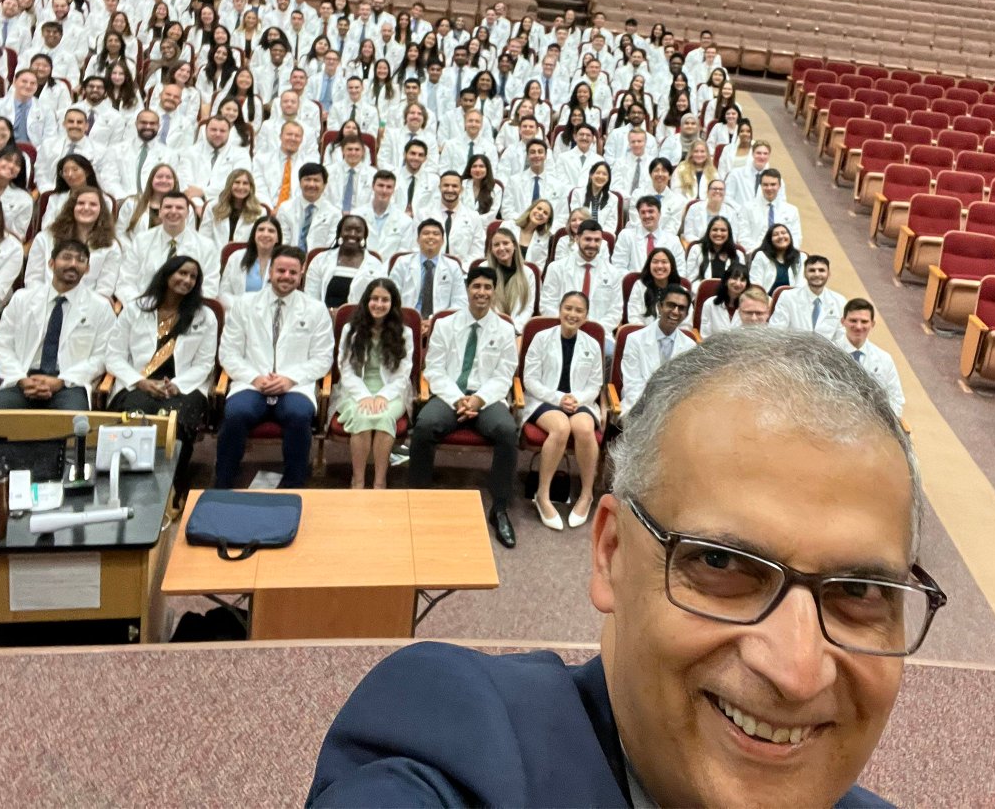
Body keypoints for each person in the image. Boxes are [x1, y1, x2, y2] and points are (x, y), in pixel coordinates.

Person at [309, 327, 941, 808]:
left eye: (859, 589)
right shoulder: (461, 742)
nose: (798, 672)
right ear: (610, 555)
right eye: (721, 563)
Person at [408, 267, 520, 548]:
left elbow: (504, 375)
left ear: (494, 291)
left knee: (507, 431)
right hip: (450, 396)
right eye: (476, 286)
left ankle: (499, 509)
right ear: (467, 289)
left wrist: (478, 400)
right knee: (424, 425)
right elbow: (433, 368)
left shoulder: (505, 330)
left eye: (487, 287)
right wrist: (458, 399)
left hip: (486, 398)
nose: (482, 292)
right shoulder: (446, 325)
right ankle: (417, 501)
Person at [215, 246, 335, 489]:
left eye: (293, 272)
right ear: (270, 271)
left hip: (295, 385)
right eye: (281, 270)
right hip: (251, 383)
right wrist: (255, 378)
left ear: (301, 274)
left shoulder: (316, 309)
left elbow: (323, 358)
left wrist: (290, 379)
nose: (286, 276)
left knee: (299, 415)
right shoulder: (244, 305)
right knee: (236, 414)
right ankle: (223, 482)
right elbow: (228, 352)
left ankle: (294, 484)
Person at [106, 254, 218, 497]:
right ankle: (128, 488)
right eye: (182, 273)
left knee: (173, 421)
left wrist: (177, 385)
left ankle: (171, 489)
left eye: (193, 277)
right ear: (167, 274)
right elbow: (113, 355)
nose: (187, 280)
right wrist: (141, 382)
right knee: (136, 416)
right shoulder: (136, 308)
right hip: (138, 384)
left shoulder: (204, 316)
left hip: (183, 387)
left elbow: (204, 364)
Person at [0, 240, 116, 410]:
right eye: (66, 258)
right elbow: (1, 346)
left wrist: (61, 381)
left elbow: (103, 355)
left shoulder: (101, 307)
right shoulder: (22, 299)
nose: (73, 264)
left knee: (73, 426)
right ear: (51, 263)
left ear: (88, 268)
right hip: (23, 379)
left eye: (81, 260)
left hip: (70, 385)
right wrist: (22, 379)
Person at [522, 291, 605, 531]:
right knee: (560, 427)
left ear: (586, 316)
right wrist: (559, 399)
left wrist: (576, 399)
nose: (573, 314)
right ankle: (543, 495)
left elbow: (595, 383)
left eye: (579, 310)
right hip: (544, 399)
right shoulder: (541, 337)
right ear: (559, 310)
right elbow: (530, 379)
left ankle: (587, 494)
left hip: (581, 402)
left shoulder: (591, 343)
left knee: (584, 427)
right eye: (568, 308)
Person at [332, 278, 414, 490]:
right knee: (362, 415)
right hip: (355, 389)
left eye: (385, 300)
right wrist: (364, 396)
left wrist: (382, 397)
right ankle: (358, 480)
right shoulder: (352, 329)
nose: (379, 304)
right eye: (374, 299)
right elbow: (346, 369)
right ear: (366, 301)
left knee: (384, 416)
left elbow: (403, 373)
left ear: (392, 303)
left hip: (392, 392)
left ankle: (380, 480)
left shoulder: (405, 333)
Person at [117, 191, 218, 304]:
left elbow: (210, 287)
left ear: (187, 213)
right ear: (160, 212)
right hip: (143, 308)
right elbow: (125, 282)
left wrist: (180, 309)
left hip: (187, 312)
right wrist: (140, 306)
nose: (173, 211)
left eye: (179, 208)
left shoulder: (206, 246)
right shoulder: (141, 241)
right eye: (168, 207)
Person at [540, 219, 623, 344]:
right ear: (577, 239)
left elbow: (615, 311)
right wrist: (570, 325)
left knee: (610, 354)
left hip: (599, 334)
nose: (592, 244)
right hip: (561, 331)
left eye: (597, 240)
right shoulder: (556, 268)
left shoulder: (614, 273)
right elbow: (547, 305)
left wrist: (593, 329)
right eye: (588, 239)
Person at [619, 283, 695, 412]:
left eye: (681, 308)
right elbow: (632, 385)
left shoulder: (690, 346)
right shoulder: (635, 339)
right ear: (659, 307)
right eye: (671, 305)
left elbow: (684, 387)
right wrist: (653, 411)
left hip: (671, 410)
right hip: (638, 407)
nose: (676, 311)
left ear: (686, 314)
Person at [388, 220, 467, 331]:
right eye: (426, 233)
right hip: (405, 322)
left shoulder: (453, 266)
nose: (431, 237)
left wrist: (435, 321)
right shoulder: (402, 263)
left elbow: (460, 302)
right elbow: (391, 297)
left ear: (443, 241)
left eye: (436, 234)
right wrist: (412, 320)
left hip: (442, 325)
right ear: (417, 239)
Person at [838, 298, 905, 417]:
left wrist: (884, 425)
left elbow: (896, 399)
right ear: (843, 321)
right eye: (853, 320)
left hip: (872, 426)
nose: (858, 326)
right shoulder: (828, 352)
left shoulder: (884, 360)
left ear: (872, 324)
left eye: (864, 321)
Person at [304, 214, 384, 310]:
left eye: (358, 231)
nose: (352, 234)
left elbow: (380, 299)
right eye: (348, 229)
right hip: (323, 319)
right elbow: (310, 298)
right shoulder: (320, 260)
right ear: (339, 233)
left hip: (362, 320)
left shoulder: (376, 265)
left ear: (364, 236)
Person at [771, 255, 846, 340]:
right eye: (812, 270)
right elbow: (776, 330)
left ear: (829, 274)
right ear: (804, 274)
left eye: (821, 270)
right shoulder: (788, 297)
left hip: (826, 352)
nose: (817, 274)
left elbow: (841, 336)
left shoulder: (840, 301)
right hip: (793, 349)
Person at [217, 214, 281, 308]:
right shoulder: (236, 257)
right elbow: (224, 294)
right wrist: (245, 308)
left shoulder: (283, 262)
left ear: (277, 238)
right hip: (238, 313)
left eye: (271, 231)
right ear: (254, 235)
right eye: (261, 229)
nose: (265, 234)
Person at [483, 226, 538, 334]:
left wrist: (513, 330)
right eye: (496, 245)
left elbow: (528, 308)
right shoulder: (483, 269)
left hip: (517, 331)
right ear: (492, 249)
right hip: (488, 329)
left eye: (505, 243)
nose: (501, 248)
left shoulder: (528, 273)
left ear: (515, 245)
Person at [626, 247, 685, 327]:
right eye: (655, 262)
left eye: (664, 262)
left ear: (671, 266)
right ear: (649, 265)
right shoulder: (639, 286)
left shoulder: (682, 292)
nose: (659, 266)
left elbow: (685, 325)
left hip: (674, 337)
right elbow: (634, 318)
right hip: (643, 336)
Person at [749, 224, 807, 294]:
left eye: (784, 233)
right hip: (765, 301)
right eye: (775, 234)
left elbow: (801, 285)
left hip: (792, 302)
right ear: (769, 240)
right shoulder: (761, 256)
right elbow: (755, 285)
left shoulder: (801, 257)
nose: (780, 236)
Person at [683, 215, 742, 283]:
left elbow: (741, 281)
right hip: (701, 291)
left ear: (729, 233)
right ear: (709, 232)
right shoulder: (696, 249)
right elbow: (690, 280)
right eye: (715, 230)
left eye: (723, 230)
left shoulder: (738, 253)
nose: (719, 233)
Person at [700, 262, 750, 338]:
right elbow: (704, 335)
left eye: (742, 280)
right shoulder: (709, 304)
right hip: (713, 348)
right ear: (726, 280)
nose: (738, 283)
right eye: (734, 278)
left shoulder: (749, 306)